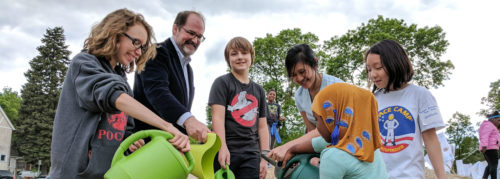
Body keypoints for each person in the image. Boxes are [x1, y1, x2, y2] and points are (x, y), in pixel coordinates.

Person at [48, 9, 189, 179]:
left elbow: (124, 127)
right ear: (114, 33)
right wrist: (167, 126)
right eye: (136, 42)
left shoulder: (121, 80)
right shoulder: (84, 63)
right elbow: (111, 95)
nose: (138, 52)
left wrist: (129, 142)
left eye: (142, 47)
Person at [365, 39, 445, 179]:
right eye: (369, 69)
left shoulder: (420, 95)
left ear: (395, 64)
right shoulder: (372, 100)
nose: (373, 75)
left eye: (378, 68)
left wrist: (442, 177)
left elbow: (430, 139)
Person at [133, 10, 211, 142]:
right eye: (191, 33)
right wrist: (189, 120)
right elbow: (157, 92)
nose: (195, 40)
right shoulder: (155, 52)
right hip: (147, 143)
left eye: (199, 36)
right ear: (176, 29)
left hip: (173, 145)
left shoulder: (188, 69)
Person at [282, 83, 387, 179]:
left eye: (318, 119)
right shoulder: (366, 144)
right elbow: (318, 143)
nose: (317, 127)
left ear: (331, 119)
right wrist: (292, 150)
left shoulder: (332, 156)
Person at [267, 44, 343, 162]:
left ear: (315, 64)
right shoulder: (299, 95)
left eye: (302, 71)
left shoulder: (336, 87)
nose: (300, 78)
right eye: (293, 75)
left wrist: (289, 147)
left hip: (344, 144)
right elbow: (312, 131)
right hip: (322, 144)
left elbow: (328, 131)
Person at [209, 37, 269, 179]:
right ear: (228, 59)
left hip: (251, 153)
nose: (240, 57)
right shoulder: (221, 83)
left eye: (244, 53)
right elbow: (217, 118)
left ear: (251, 57)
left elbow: (262, 127)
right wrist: (222, 147)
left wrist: (264, 157)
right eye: (234, 53)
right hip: (227, 150)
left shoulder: (259, 91)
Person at [478, 111, 500, 179]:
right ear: (493, 119)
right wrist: (484, 146)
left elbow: (496, 138)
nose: (499, 122)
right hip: (490, 148)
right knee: (494, 166)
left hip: (490, 147)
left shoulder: (491, 126)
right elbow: (485, 136)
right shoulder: (488, 125)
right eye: (498, 120)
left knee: (490, 165)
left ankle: (484, 177)